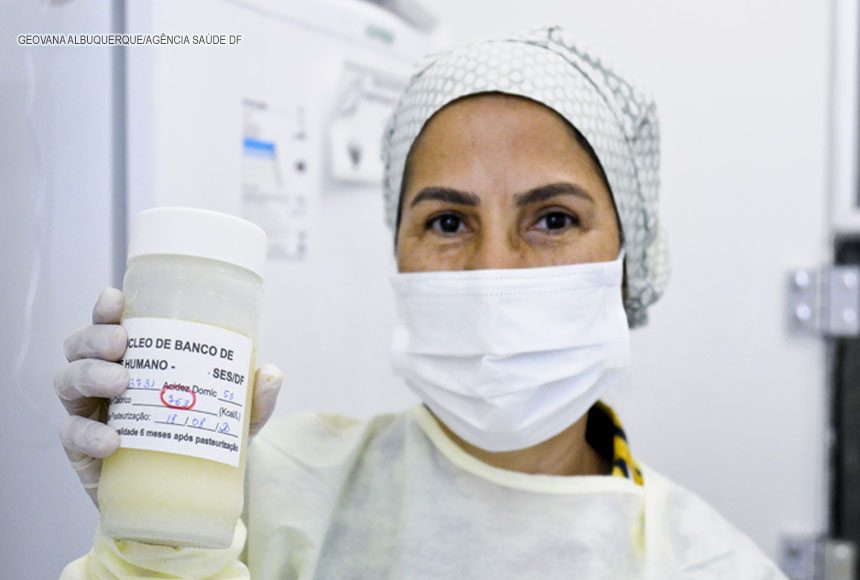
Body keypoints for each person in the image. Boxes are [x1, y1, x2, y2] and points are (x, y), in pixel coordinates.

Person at [57, 27, 786, 579]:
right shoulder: (264, 488)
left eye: (554, 218)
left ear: (630, 262)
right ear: (399, 253)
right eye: (448, 222)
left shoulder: (711, 564)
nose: (493, 270)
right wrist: (153, 546)